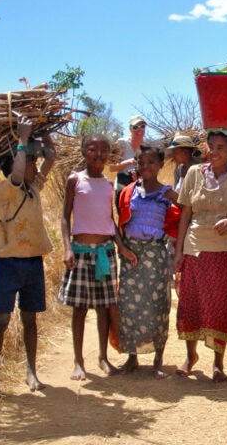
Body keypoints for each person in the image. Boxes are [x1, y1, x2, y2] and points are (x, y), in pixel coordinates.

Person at [173, 129, 227, 382]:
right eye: (212, 146)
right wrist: (178, 252)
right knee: (191, 304)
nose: (215, 152)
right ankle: (190, 356)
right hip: (195, 248)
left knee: (221, 307)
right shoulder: (193, 173)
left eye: (221, 147)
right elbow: (185, 215)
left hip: (226, 250)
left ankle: (218, 364)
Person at [0, 115, 56, 396]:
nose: (34, 165)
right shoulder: (6, 189)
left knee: (30, 319)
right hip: (8, 262)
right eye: (29, 161)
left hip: (32, 261)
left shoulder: (34, 188)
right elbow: (16, 174)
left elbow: (51, 158)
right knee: (2, 320)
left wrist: (47, 130)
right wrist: (23, 139)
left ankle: (31, 370)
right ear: (15, 163)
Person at [58, 134, 137, 381]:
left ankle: (103, 357)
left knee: (104, 308)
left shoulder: (108, 184)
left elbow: (108, 220)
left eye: (104, 150)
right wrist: (67, 248)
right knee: (79, 309)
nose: (99, 154)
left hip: (105, 253)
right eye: (93, 149)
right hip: (81, 252)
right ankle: (78, 362)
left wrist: (120, 246)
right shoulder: (75, 179)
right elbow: (64, 216)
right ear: (83, 152)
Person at [116, 145, 179, 379]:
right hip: (131, 255)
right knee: (129, 307)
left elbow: (186, 213)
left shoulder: (167, 193)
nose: (146, 167)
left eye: (151, 162)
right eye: (141, 163)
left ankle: (158, 360)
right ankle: (132, 357)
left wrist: (178, 199)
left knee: (157, 307)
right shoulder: (129, 191)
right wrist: (122, 247)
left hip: (155, 255)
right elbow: (119, 219)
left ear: (161, 164)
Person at [110, 115, 147, 207]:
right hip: (123, 180)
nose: (140, 129)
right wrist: (128, 162)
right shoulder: (121, 143)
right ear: (130, 129)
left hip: (141, 180)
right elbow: (112, 168)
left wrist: (139, 176)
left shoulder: (147, 145)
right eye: (135, 127)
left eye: (142, 126)